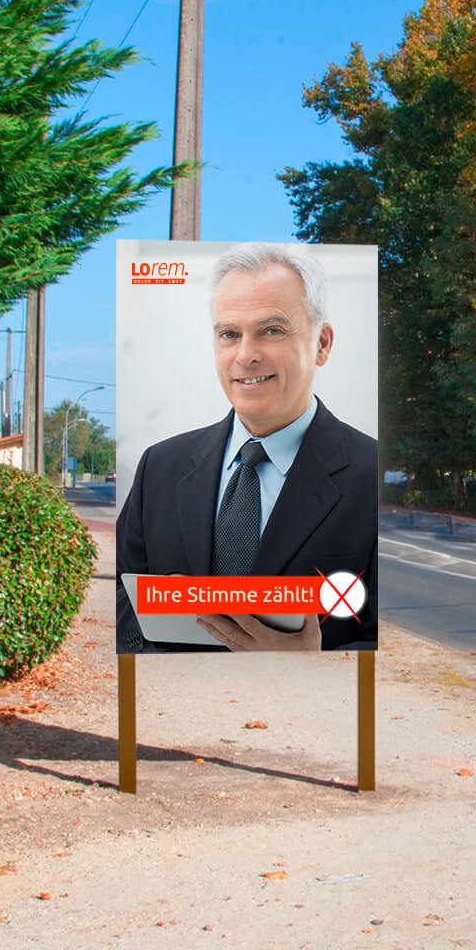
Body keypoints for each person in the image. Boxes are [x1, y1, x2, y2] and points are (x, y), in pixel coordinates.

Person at [116, 243, 377, 653]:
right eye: (229, 334)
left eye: (271, 330)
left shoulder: (371, 475)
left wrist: (317, 664)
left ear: (322, 344)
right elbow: (120, 599)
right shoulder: (160, 468)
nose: (246, 355)